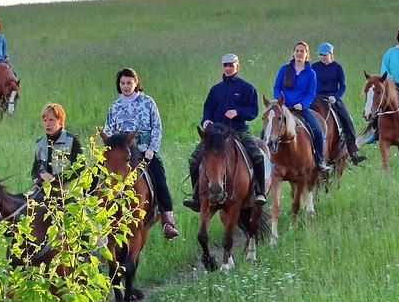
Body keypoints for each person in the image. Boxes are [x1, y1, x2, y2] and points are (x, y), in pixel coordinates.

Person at [102, 67, 179, 239]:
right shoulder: (114, 106)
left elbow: (157, 127)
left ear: (136, 83)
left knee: (158, 175)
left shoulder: (147, 102)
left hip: (143, 149)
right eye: (122, 83)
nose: (126, 86)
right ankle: (95, 216)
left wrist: (152, 149)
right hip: (121, 150)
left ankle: (167, 220)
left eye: (129, 83)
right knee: (98, 174)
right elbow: (108, 130)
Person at [183, 53, 266, 212]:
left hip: (238, 130)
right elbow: (208, 110)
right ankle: (196, 196)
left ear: (237, 66)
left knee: (257, 155)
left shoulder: (247, 88)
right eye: (225, 65)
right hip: (216, 134)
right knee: (194, 159)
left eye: (231, 65)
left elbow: (253, 111)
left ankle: (259, 192)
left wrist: (238, 112)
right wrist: (206, 121)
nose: (228, 68)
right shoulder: (215, 90)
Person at [272, 41, 331, 172]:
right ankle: (266, 157)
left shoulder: (311, 74)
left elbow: (311, 94)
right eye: (297, 51)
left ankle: (320, 160)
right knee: (268, 127)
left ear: (306, 55)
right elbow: (277, 87)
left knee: (317, 130)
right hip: (284, 107)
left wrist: (302, 104)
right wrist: (278, 100)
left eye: (302, 51)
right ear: (293, 53)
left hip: (300, 109)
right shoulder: (284, 69)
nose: (299, 53)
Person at [312, 42, 367, 165]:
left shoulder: (337, 68)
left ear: (331, 54)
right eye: (320, 55)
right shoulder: (314, 67)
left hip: (332, 98)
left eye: (324, 55)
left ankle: (352, 151)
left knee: (348, 120)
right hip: (316, 98)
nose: (322, 57)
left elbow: (342, 86)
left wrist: (335, 97)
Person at [31, 103, 83, 190]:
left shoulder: (72, 140)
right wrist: (36, 180)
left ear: (60, 121)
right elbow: (35, 170)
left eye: (51, 120)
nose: (47, 124)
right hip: (43, 192)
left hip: (68, 194)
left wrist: (54, 179)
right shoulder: (39, 143)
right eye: (45, 120)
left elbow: (80, 168)